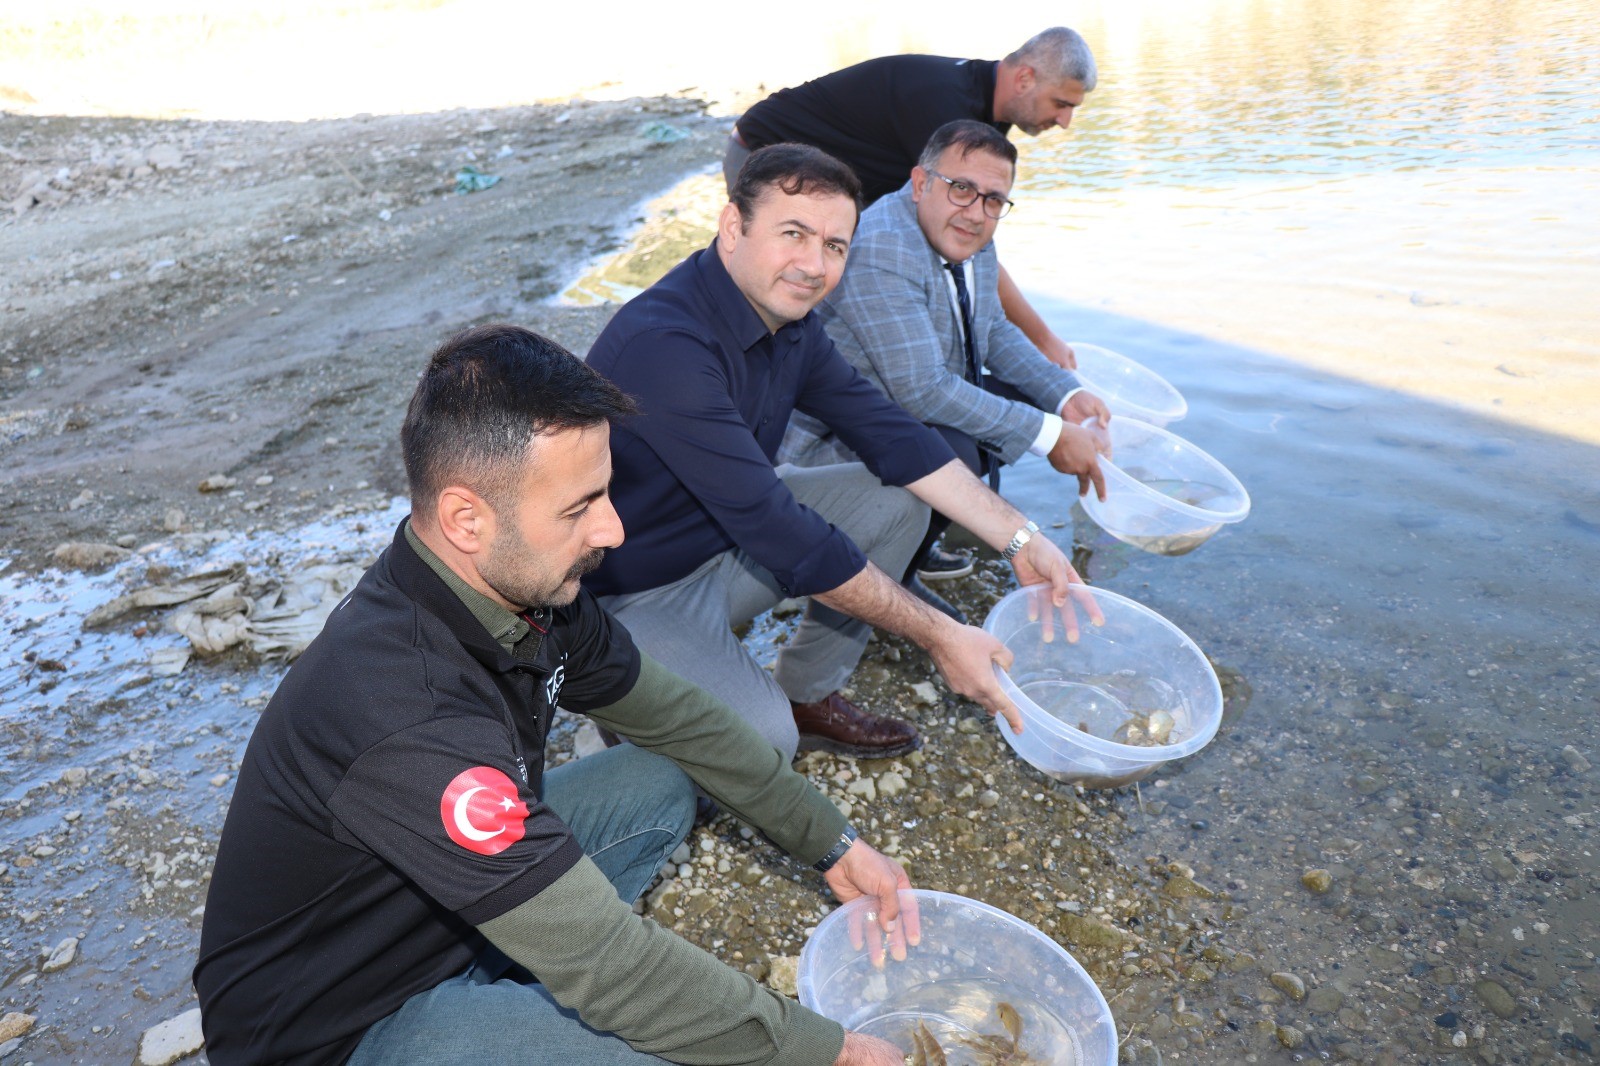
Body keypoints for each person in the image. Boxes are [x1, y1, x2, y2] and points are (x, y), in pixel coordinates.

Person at [193, 324, 917, 1066]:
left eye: (606, 490)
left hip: (438, 919)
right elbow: (612, 965)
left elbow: (680, 720)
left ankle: (520, 966)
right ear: (467, 519)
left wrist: (832, 843)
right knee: (660, 1050)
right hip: (340, 1029)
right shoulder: (406, 713)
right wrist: (831, 1052)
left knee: (661, 780)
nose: (613, 529)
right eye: (579, 508)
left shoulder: (528, 594)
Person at [584, 144, 1096, 767]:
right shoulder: (667, 345)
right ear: (733, 227)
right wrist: (941, 636)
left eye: (834, 245)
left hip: (728, 546)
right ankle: (626, 715)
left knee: (899, 503)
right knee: (760, 747)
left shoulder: (790, 320)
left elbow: (891, 433)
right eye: (793, 234)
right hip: (635, 592)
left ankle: (806, 696)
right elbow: (782, 531)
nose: (813, 265)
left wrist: (1020, 538)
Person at [781, 120, 1110, 581]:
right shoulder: (881, 249)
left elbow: (992, 328)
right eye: (961, 188)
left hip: (889, 411)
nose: (976, 213)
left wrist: (1064, 396)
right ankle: (860, 580)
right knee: (953, 449)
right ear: (920, 184)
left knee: (1026, 405)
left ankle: (907, 559)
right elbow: (923, 391)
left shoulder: (968, 233)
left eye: (993, 199)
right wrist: (1051, 436)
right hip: (819, 450)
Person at [725, 27, 1097, 371]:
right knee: (795, 284)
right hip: (768, 155)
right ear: (1025, 78)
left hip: (845, 181)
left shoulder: (985, 113)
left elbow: (968, 252)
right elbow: (968, 240)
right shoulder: (945, 107)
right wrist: (1044, 340)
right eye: (1061, 103)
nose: (1065, 121)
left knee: (898, 279)